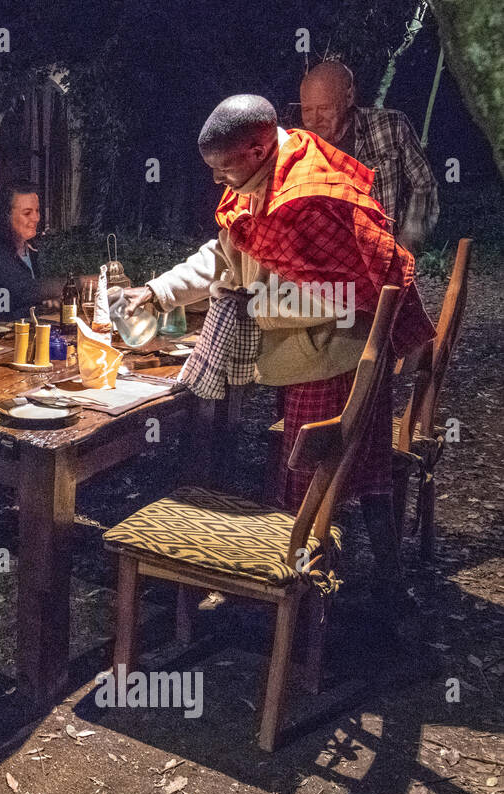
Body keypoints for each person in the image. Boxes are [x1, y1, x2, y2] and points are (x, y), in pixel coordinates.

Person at [121, 94, 434, 616]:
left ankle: (302, 612)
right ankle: (379, 593)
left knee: (314, 487)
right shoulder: (261, 176)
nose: (219, 181)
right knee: (356, 476)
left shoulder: (307, 195)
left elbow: (344, 294)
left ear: (257, 146)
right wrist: (157, 291)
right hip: (311, 353)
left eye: (224, 170)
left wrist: (252, 304)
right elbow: (227, 252)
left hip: (336, 357)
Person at [299, 60, 439, 253]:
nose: (314, 119)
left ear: (348, 98)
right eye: (307, 110)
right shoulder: (301, 147)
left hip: (384, 251)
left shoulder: (390, 126)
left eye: (324, 108)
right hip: (329, 260)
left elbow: (424, 183)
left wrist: (408, 240)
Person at [0, 179, 63, 320]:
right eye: (27, 213)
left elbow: (26, 298)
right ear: (6, 215)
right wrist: (82, 282)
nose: (36, 218)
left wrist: (45, 304)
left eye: (37, 210)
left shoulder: (29, 250)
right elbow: (26, 290)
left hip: (19, 332)